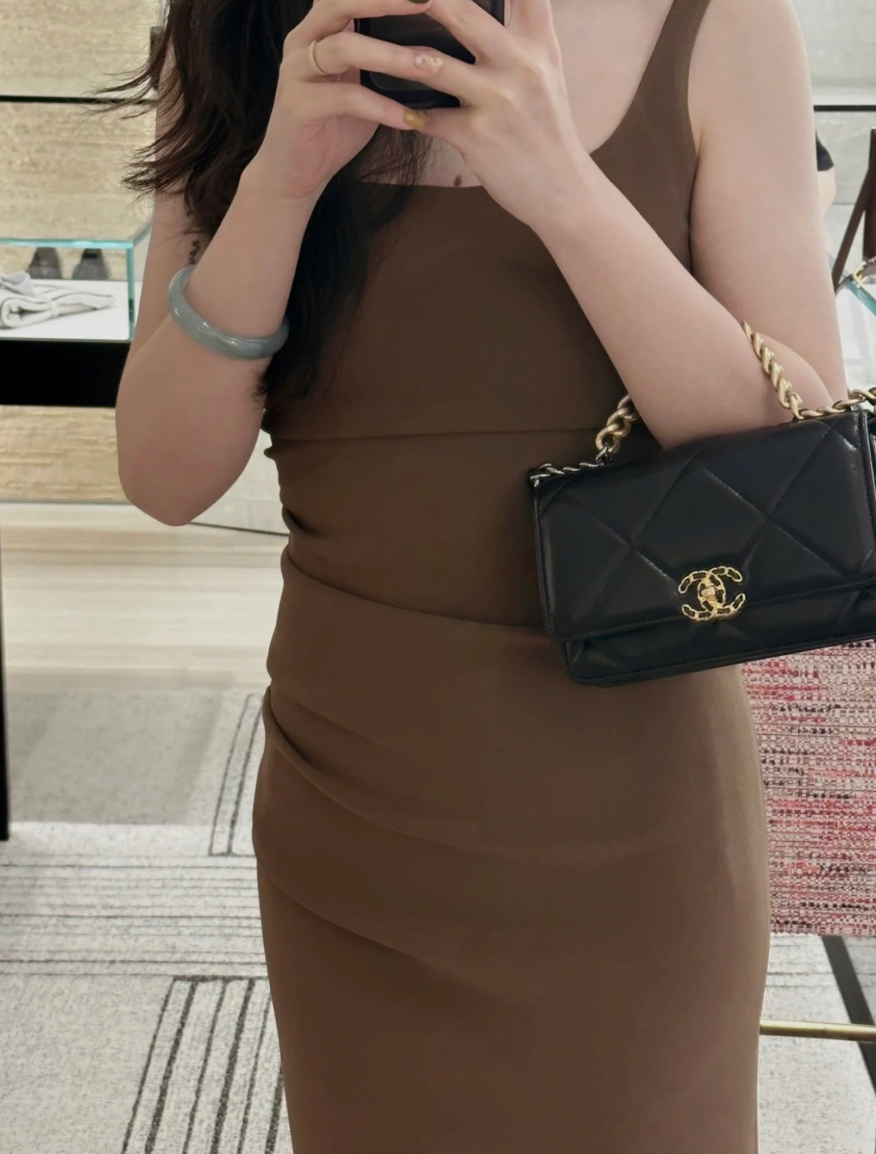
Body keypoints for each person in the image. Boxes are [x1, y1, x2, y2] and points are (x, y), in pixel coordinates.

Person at [113, 0, 848, 1149]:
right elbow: (163, 473)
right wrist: (279, 186)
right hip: (352, 823)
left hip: (636, 821)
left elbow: (793, 454)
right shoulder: (234, 28)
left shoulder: (720, 23)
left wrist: (562, 190)